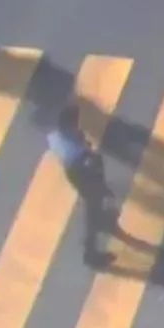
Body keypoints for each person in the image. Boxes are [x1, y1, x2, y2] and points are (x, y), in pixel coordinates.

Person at [47, 100, 114, 266]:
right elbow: (89, 164)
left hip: (75, 173)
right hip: (83, 174)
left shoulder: (54, 137)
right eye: (75, 122)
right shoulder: (76, 149)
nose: (78, 125)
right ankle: (91, 255)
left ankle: (102, 220)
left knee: (94, 203)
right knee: (92, 208)